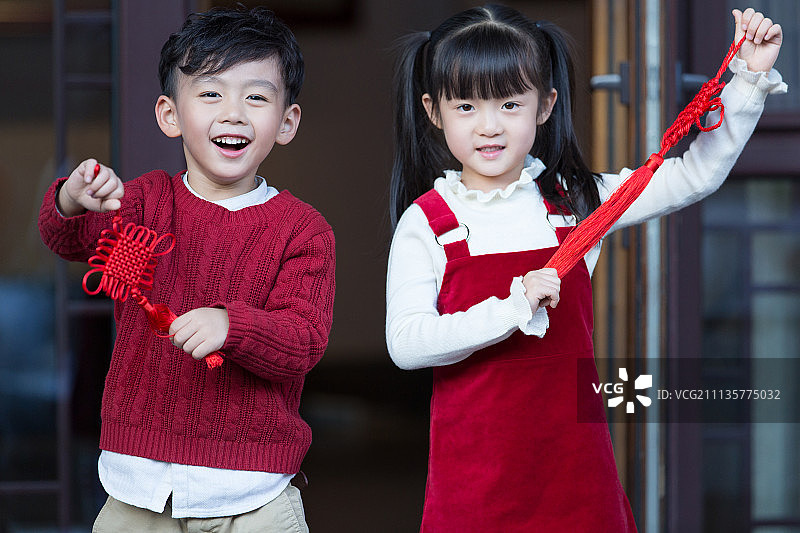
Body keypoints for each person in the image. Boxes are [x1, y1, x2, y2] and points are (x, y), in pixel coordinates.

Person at [386, 5, 784, 531]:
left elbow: (693, 174)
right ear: (434, 111)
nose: (489, 126)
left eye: (510, 103)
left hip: (574, 466)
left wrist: (748, 79)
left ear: (545, 105)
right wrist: (512, 307)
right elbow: (408, 343)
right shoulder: (427, 222)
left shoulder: (575, 202)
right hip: (475, 478)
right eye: (466, 106)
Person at [39, 6, 334, 532]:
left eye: (257, 97)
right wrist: (71, 199)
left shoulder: (302, 230)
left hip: (252, 490)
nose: (234, 113)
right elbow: (70, 240)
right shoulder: (146, 203)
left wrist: (232, 326)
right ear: (170, 114)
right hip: (137, 482)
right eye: (211, 93)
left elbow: (304, 340)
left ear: (287, 122)